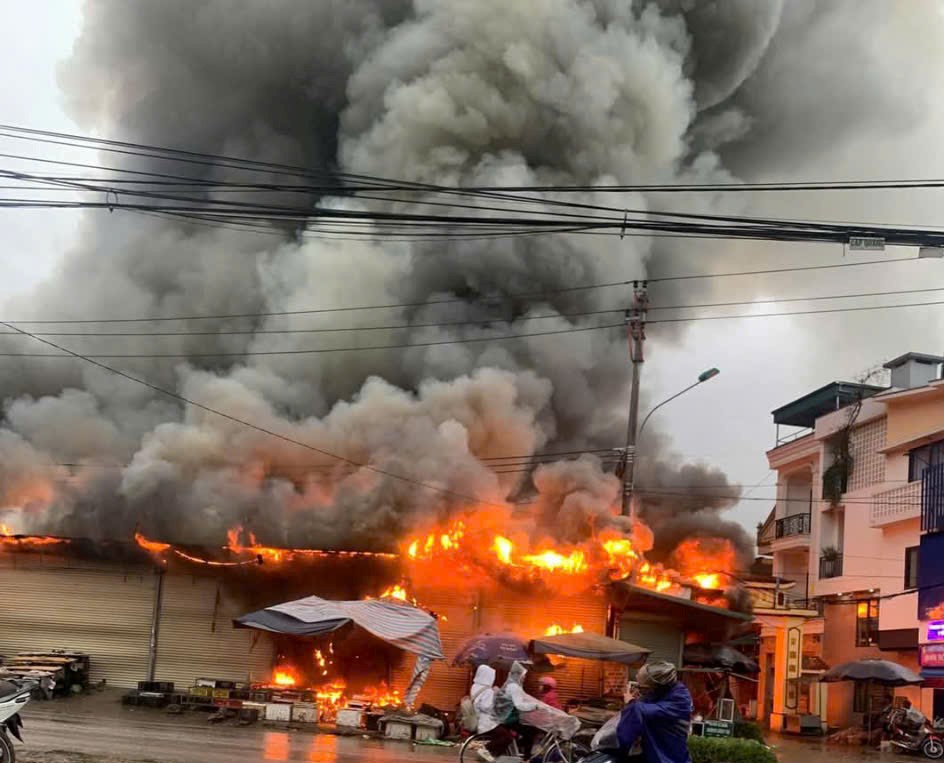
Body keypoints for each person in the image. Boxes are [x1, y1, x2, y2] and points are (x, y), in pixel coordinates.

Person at [617, 661, 693, 763]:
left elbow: (642, 711)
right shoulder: (665, 691)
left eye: (641, 687)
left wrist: (630, 702)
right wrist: (638, 699)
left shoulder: (679, 699)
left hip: (669, 758)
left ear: (654, 687)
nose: (638, 689)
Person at [470, 664, 514, 763]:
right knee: (507, 738)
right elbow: (487, 706)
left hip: (480, 719)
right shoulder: (487, 691)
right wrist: (495, 695)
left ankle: (491, 755)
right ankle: (486, 750)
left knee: (503, 733)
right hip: (487, 722)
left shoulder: (475, 686)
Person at [503, 662, 541, 759]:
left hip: (509, 717)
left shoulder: (514, 685)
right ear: (518, 675)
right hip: (509, 719)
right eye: (523, 675)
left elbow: (522, 700)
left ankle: (517, 748)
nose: (524, 677)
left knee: (530, 730)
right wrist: (534, 706)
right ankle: (526, 759)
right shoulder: (514, 687)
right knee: (531, 731)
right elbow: (519, 705)